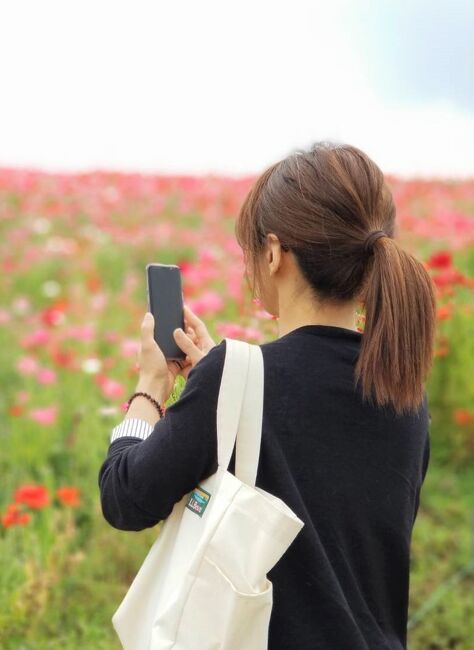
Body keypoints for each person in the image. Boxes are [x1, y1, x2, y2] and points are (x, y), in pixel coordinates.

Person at [98, 142, 435, 649]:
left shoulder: (238, 379)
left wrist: (151, 389)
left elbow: (124, 498)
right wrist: (224, 380)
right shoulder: (405, 391)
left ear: (275, 253)